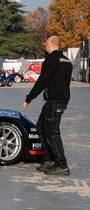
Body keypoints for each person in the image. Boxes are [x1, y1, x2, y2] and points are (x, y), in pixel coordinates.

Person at [24, 36, 73, 176]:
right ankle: (50, 160)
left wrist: (29, 98)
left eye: (45, 46)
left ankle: (62, 164)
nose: (44, 48)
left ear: (50, 45)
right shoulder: (67, 61)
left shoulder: (51, 60)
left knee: (52, 131)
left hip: (55, 100)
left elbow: (42, 81)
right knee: (40, 127)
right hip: (60, 100)